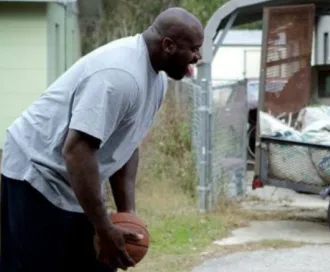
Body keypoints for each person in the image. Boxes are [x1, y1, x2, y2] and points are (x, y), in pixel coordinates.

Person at [0, 7, 203, 272]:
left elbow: (127, 144)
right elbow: (77, 151)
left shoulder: (156, 80)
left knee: (100, 262)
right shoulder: (120, 76)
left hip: (72, 176)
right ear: (168, 45)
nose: (198, 56)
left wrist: (126, 214)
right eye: (194, 49)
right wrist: (104, 227)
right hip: (36, 172)